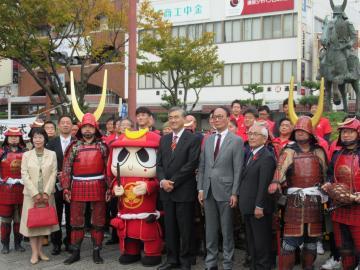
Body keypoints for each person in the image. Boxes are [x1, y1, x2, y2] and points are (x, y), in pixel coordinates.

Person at [268, 116, 328, 269]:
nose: (300, 133)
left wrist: (328, 188)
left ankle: (308, 267)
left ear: (310, 132)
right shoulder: (289, 151)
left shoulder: (318, 151)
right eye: (298, 130)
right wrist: (275, 182)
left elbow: (326, 174)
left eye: (303, 130)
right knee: (289, 243)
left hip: (314, 202)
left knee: (311, 242)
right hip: (295, 201)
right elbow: (279, 169)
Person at [198, 106, 244, 270]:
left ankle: (227, 263)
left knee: (226, 231)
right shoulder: (208, 139)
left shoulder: (236, 140)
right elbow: (202, 166)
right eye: (214, 117)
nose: (216, 119)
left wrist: (234, 192)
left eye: (219, 116)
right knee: (210, 230)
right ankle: (210, 263)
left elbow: (238, 169)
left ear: (227, 118)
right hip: (208, 190)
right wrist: (201, 189)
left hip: (226, 191)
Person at [156, 107, 201, 270]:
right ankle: (171, 259)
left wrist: (172, 182)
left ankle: (186, 260)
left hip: (183, 190)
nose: (173, 120)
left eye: (176, 117)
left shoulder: (193, 138)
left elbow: (191, 164)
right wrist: (162, 181)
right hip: (166, 191)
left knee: (185, 228)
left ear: (184, 120)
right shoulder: (164, 139)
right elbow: (159, 164)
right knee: (170, 227)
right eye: (170, 117)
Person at [61, 113, 109, 265]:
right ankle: (75, 252)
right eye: (85, 127)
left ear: (95, 129)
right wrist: (66, 189)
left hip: (99, 185)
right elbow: (67, 168)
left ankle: (96, 251)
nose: (87, 130)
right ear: (81, 129)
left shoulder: (102, 146)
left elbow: (108, 169)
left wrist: (109, 188)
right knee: (76, 221)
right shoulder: (74, 147)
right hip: (78, 186)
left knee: (98, 220)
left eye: (90, 127)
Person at [322, 117, 360, 270]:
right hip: (339, 208)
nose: (346, 135)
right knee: (345, 249)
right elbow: (331, 175)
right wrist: (328, 185)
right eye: (344, 132)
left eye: (350, 132)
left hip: (358, 209)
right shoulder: (337, 154)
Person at [239, 123, 276, 270]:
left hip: (258, 209)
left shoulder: (266, 156)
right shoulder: (251, 153)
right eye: (250, 133)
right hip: (248, 207)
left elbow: (264, 185)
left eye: (255, 134)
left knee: (261, 244)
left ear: (265, 138)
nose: (252, 137)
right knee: (252, 243)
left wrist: (259, 206)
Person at [20, 127, 58, 265]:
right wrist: (34, 193)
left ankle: (41, 251)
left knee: (43, 223)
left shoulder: (52, 154)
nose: (37, 140)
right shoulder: (26, 155)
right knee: (32, 224)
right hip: (31, 195)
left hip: (47, 195)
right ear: (32, 139)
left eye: (40, 137)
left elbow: (54, 173)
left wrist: (47, 192)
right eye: (35, 137)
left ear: (45, 139)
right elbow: (24, 174)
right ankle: (34, 253)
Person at [46, 115, 75, 255]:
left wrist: (68, 174)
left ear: (71, 126)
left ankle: (69, 242)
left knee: (71, 214)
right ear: (59, 125)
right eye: (62, 122)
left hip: (72, 184)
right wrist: (57, 173)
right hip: (55, 184)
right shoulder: (51, 143)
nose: (65, 125)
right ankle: (56, 243)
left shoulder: (77, 142)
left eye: (68, 123)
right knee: (55, 214)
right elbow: (46, 163)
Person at [0, 128, 27, 254]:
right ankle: (5, 244)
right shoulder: (1, 153)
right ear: (6, 138)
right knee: (5, 220)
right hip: (5, 190)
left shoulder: (26, 153)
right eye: (11, 136)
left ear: (20, 138)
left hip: (22, 190)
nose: (14, 138)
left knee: (19, 220)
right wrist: (4, 179)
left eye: (16, 136)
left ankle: (18, 243)